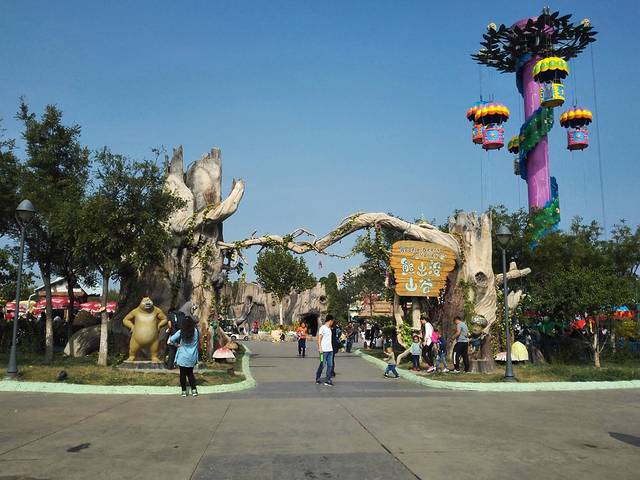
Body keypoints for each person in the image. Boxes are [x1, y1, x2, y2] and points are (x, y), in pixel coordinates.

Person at [168, 314, 200, 397]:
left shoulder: (181, 331)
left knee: (182, 374)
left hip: (182, 356)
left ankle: (184, 391)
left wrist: (177, 345)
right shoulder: (196, 332)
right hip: (192, 357)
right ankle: (194, 390)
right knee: (190, 373)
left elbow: (171, 339)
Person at [165, 302, 197, 369]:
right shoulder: (182, 314)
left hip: (174, 333)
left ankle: (170, 366)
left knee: (172, 349)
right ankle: (177, 365)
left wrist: (168, 330)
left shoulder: (170, 315)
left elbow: (170, 325)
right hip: (183, 333)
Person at [315, 315, 335, 385]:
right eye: (332, 321)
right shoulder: (322, 328)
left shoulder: (329, 329)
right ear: (330, 321)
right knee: (322, 364)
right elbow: (319, 338)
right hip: (323, 351)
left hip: (330, 350)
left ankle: (328, 379)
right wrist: (320, 347)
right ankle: (318, 377)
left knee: (330, 365)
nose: (333, 323)